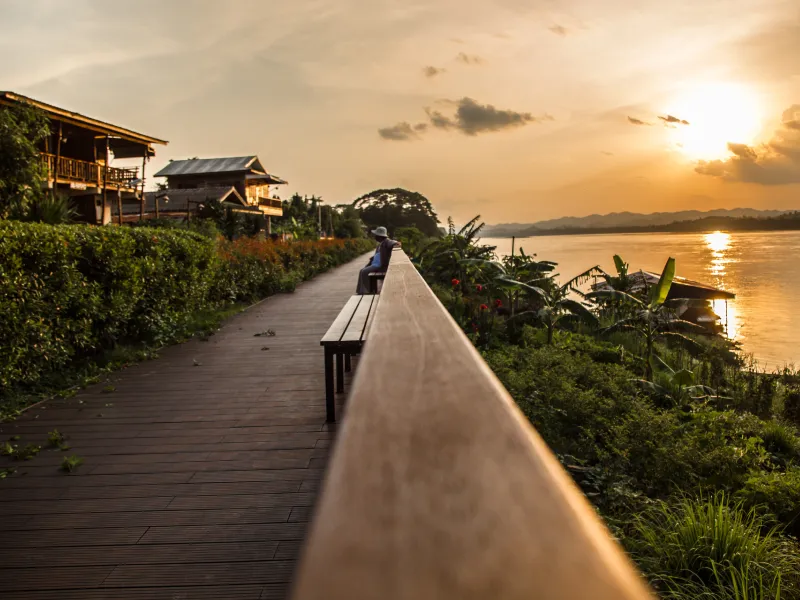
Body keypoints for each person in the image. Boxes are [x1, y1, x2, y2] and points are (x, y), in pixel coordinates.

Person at [356, 226, 400, 294]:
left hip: (380, 266)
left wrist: (396, 243)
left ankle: (366, 291)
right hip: (375, 264)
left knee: (364, 272)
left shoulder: (386, 241)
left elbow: (393, 242)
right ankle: (360, 291)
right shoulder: (380, 244)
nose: (375, 237)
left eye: (376, 235)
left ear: (380, 236)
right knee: (361, 270)